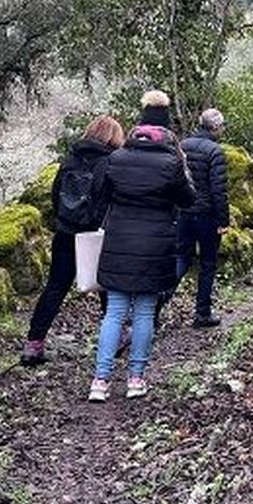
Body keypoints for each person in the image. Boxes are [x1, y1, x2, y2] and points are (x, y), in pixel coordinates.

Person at [87, 117, 196, 401]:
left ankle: (100, 380)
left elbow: (100, 196)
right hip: (156, 244)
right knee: (145, 312)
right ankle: (136, 379)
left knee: (114, 312)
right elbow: (188, 199)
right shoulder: (171, 164)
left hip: (118, 241)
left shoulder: (115, 159)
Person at [21, 115, 125, 366]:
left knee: (55, 287)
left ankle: (33, 345)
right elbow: (114, 199)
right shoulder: (112, 162)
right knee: (106, 286)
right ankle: (115, 340)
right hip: (97, 234)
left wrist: (65, 221)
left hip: (66, 232)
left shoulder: (70, 159)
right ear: (114, 137)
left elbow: (56, 195)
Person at [173, 108, 230, 328]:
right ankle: (202, 313)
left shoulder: (183, 145)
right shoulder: (215, 151)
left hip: (184, 212)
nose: (223, 130)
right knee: (207, 264)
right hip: (207, 216)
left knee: (180, 259)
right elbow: (219, 190)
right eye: (222, 126)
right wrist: (223, 221)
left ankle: (156, 305)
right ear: (215, 127)